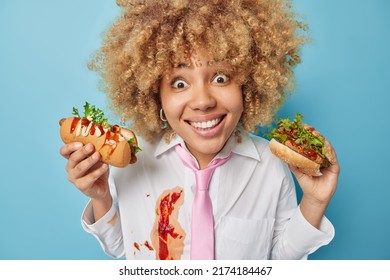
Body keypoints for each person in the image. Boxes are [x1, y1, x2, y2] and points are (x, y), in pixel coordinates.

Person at [60, 0, 340, 260]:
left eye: (220, 77)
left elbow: (280, 259)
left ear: (247, 84)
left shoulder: (271, 165)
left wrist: (315, 201)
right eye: (180, 83)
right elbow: (122, 248)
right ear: (155, 94)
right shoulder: (133, 160)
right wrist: (101, 197)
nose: (204, 101)